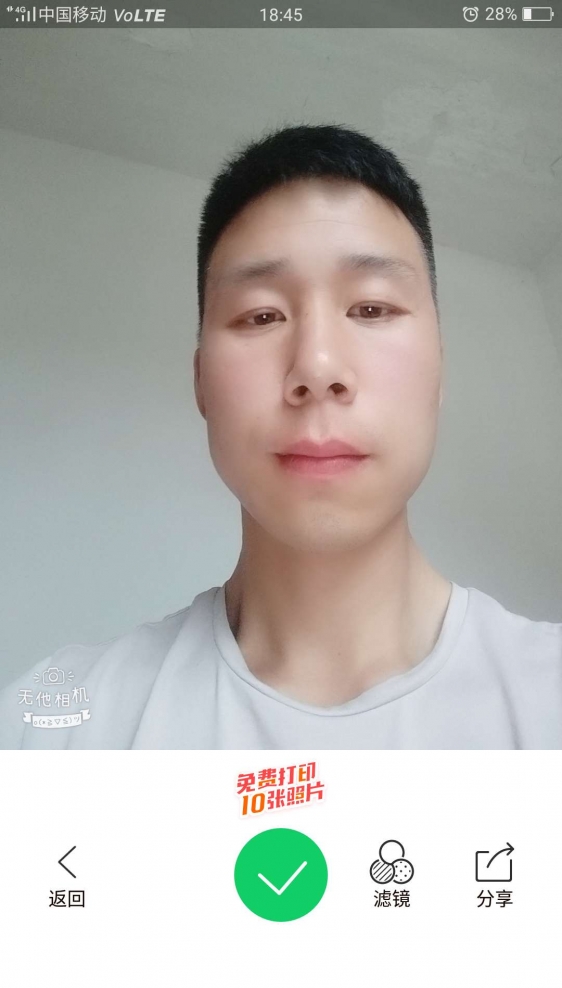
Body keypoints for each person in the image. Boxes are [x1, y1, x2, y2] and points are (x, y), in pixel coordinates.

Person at [1, 123, 560, 750]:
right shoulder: (48, 729)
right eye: (262, 315)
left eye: (371, 308)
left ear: (439, 370)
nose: (317, 367)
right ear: (201, 383)